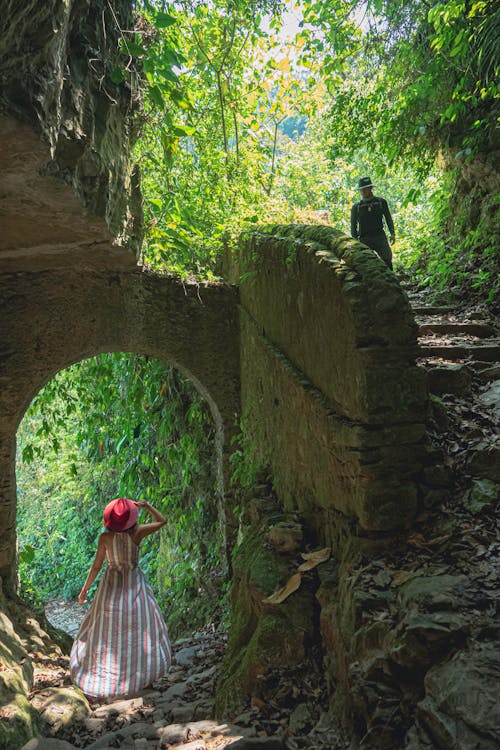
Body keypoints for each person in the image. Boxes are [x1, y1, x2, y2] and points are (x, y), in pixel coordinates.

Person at [70, 497, 171, 700]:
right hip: (134, 583)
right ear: (131, 519)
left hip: (111, 585)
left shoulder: (105, 538)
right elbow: (162, 521)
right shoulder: (138, 533)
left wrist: (85, 589)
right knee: (140, 627)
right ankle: (142, 675)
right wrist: (148, 506)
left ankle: (104, 675)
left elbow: (97, 566)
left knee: (106, 630)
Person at [350, 176, 395, 269]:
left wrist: (392, 233)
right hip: (364, 239)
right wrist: (355, 241)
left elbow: (388, 218)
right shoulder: (357, 207)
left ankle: (391, 281)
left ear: (370, 189)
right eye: (361, 190)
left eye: (365, 189)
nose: (363, 192)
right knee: (365, 264)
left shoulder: (381, 202)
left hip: (379, 236)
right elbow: (353, 226)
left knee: (387, 259)